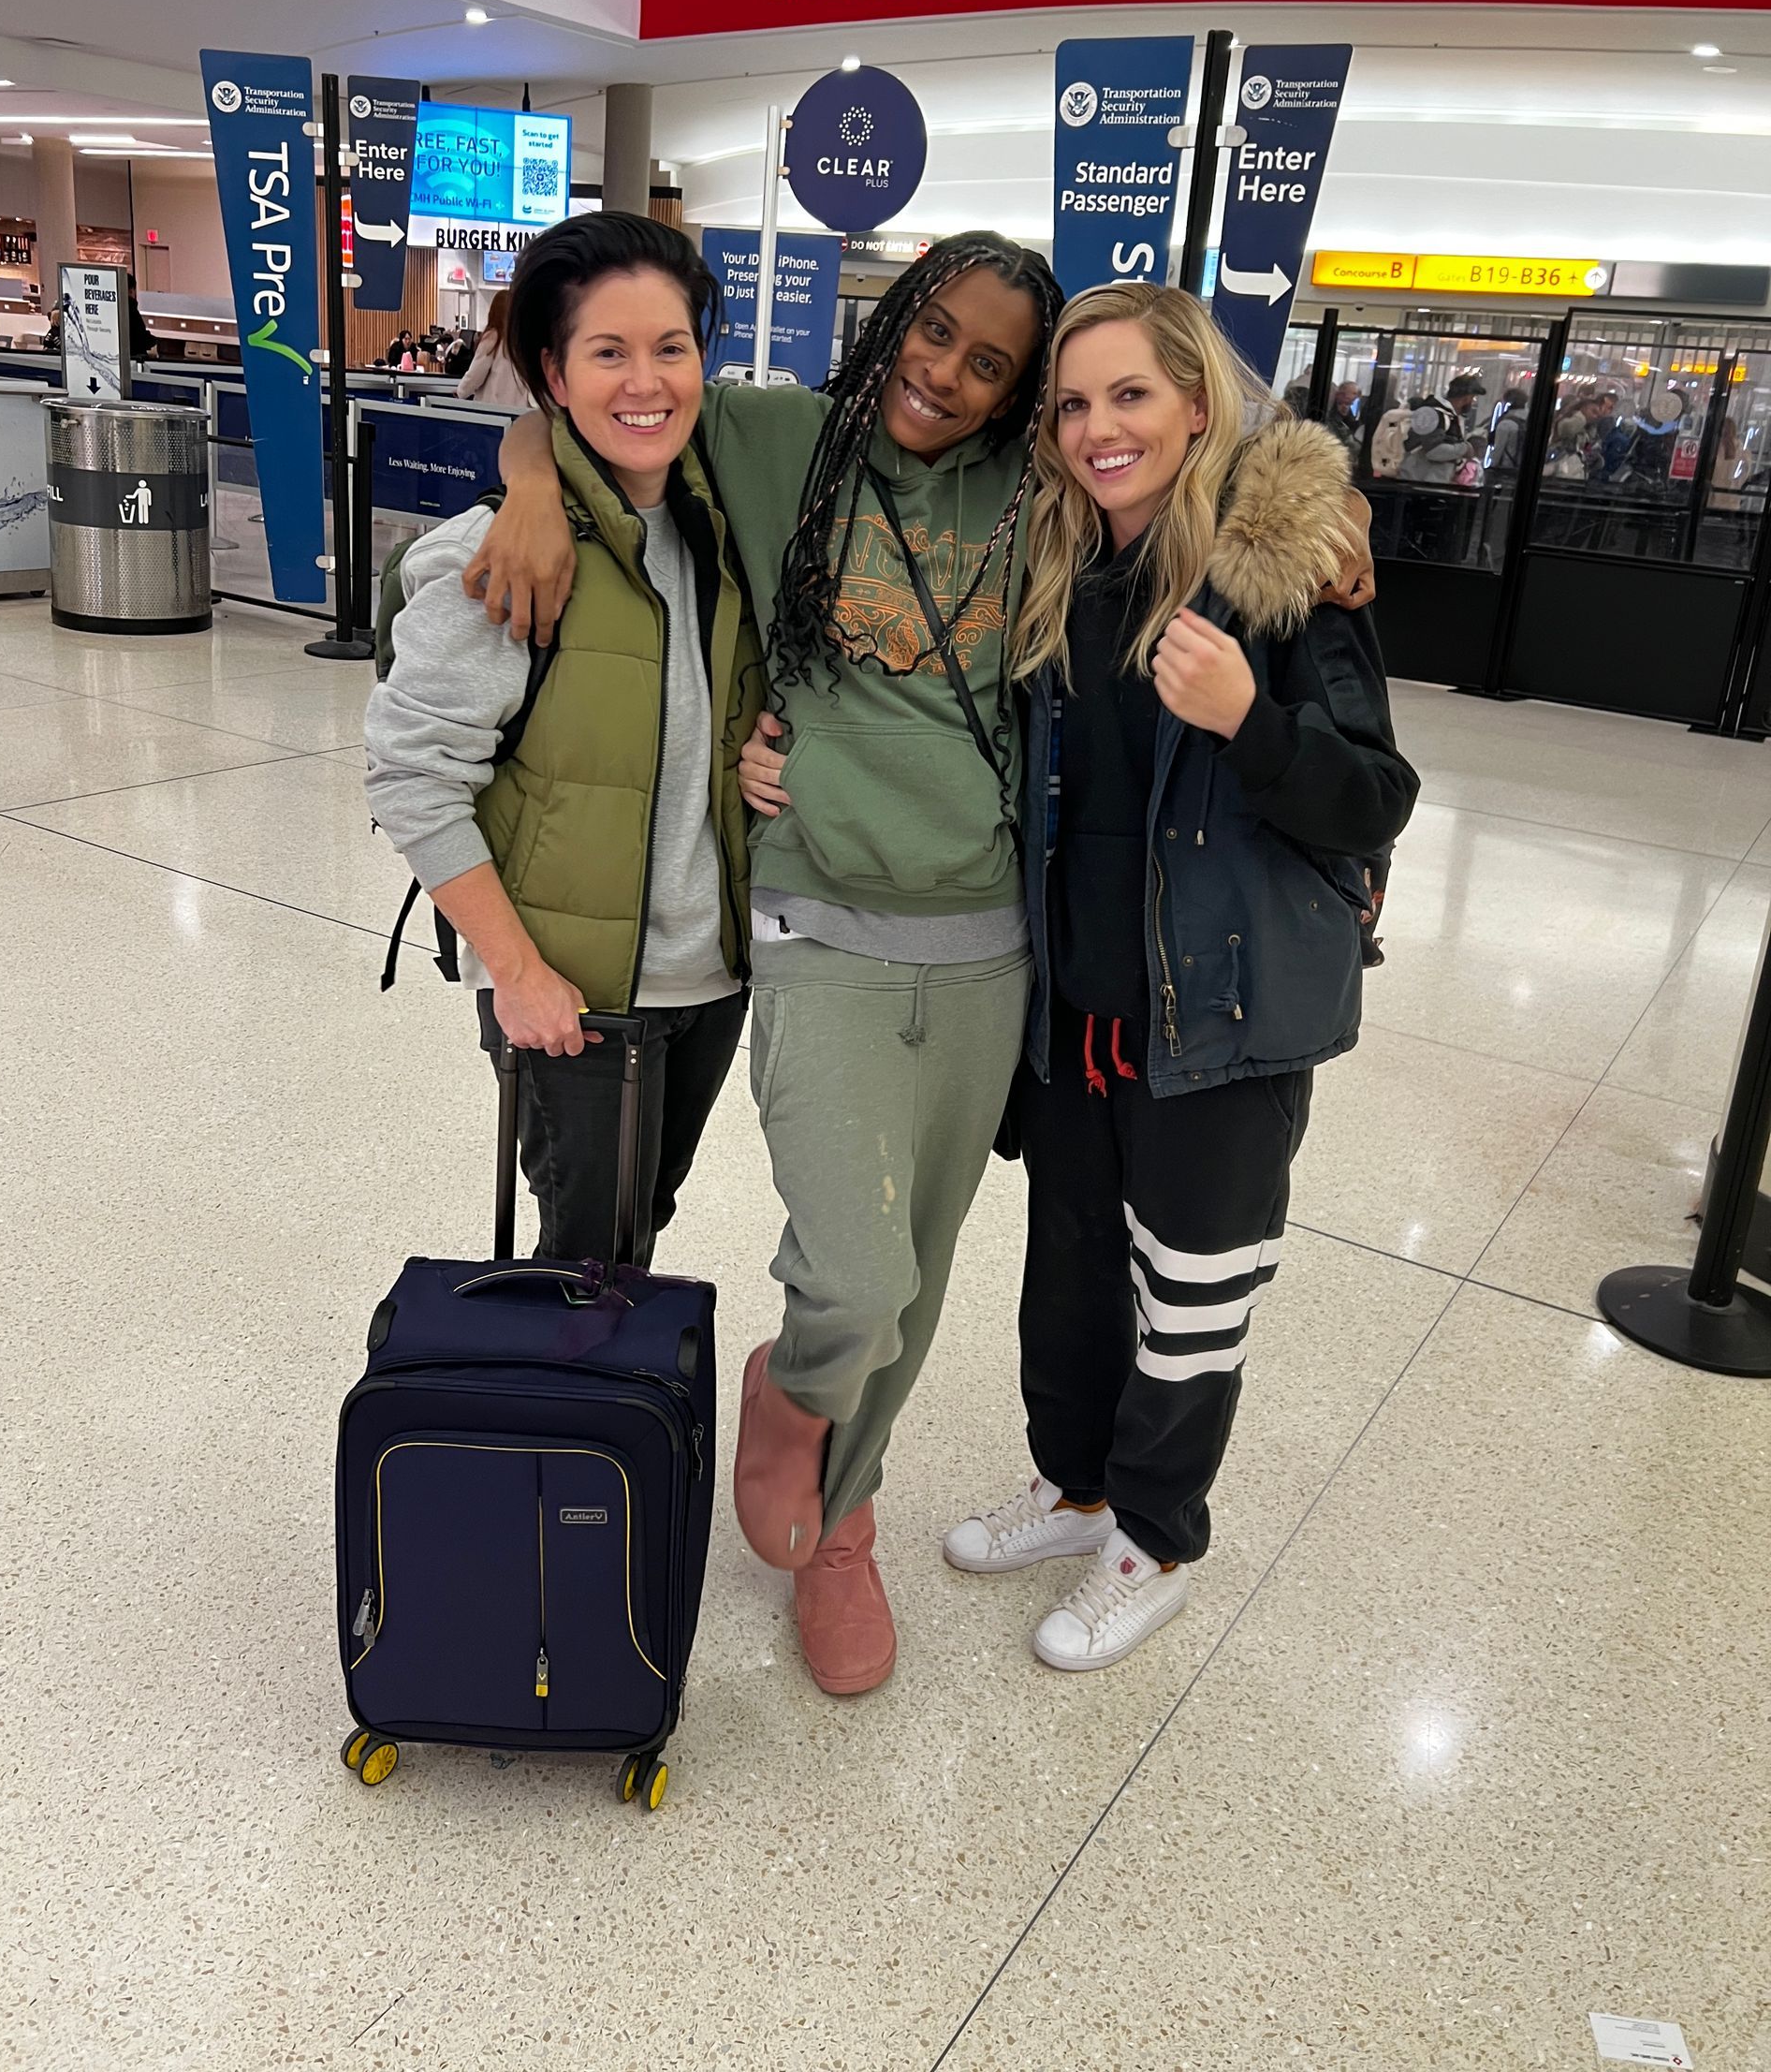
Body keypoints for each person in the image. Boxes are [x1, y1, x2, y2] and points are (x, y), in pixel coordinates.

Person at [472, 235, 1380, 1700]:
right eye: (930, 332)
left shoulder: (1043, 495)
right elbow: (614, 406)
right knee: (855, 1275)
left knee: (933, 1281)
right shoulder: (777, 440)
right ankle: (794, 1392)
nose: (943, 372)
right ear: (891, 317)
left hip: (991, 959)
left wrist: (1309, 511)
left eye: (990, 364)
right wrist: (523, 480)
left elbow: (1180, 422)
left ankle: (841, 1527)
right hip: (821, 925)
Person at [935, 285, 1417, 1670]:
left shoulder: (1285, 578)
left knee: (1191, 1293)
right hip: (1082, 1007)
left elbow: (1375, 794)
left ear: (1199, 404)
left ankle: (1153, 1542)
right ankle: (1076, 1489)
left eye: (1130, 396)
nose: (1099, 430)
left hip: (1224, 1016)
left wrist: (1254, 724)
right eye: (1074, 405)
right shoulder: (1056, 570)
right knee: (1072, 1275)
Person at [364, 213, 765, 1271]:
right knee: (583, 1256)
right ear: (555, 369)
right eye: (608, 352)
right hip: (575, 995)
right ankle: (560, 1438)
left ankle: (603, 1430)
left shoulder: (723, 527)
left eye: (670, 347)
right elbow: (410, 777)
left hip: (709, 980)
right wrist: (518, 971)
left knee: (638, 1228)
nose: (647, 380)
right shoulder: (497, 561)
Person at [457, 290, 532, 408]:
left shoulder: (493, 338)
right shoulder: (524, 341)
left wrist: (460, 392)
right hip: (518, 411)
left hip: (492, 411)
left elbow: (476, 375)